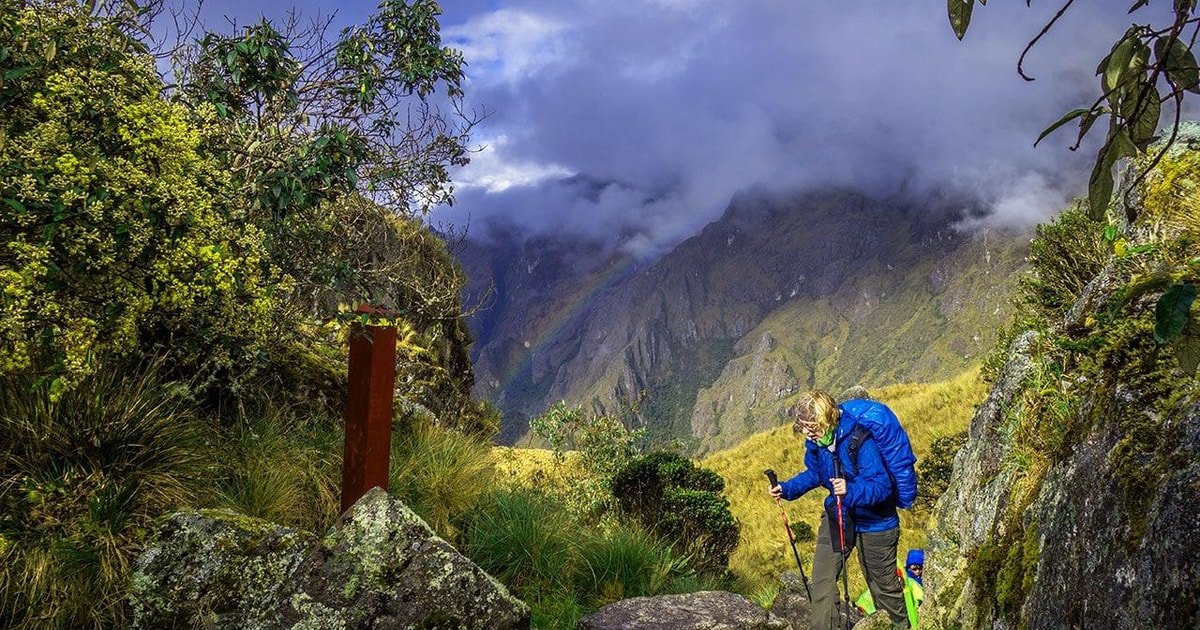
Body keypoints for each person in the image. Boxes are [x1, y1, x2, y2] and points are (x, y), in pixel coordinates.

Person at [768, 390, 910, 630]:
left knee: (884, 590)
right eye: (803, 426)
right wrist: (787, 488)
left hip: (876, 522)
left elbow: (882, 486)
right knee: (822, 582)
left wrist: (850, 490)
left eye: (810, 427)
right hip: (839, 515)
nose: (806, 432)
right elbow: (814, 473)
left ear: (826, 421)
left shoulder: (860, 441)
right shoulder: (817, 443)